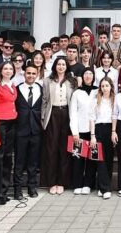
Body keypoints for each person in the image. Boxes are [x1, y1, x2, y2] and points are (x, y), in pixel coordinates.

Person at [41, 57, 77, 196]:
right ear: (55, 66)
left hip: (67, 114)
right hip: (52, 115)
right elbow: (44, 101)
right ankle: (52, 182)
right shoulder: (47, 81)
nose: (61, 67)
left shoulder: (72, 82)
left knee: (64, 149)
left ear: (67, 66)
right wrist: (43, 118)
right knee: (51, 149)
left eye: (63, 64)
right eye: (59, 64)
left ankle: (62, 182)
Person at [13, 64, 47, 201]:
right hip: (21, 130)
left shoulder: (41, 89)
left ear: (37, 74)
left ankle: (32, 187)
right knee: (20, 162)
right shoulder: (17, 89)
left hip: (36, 130)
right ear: (24, 74)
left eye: (33, 73)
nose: (31, 76)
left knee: (33, 162)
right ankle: (17, 189)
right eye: (28, 73)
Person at [0, 61, 18, 205]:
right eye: (5, 68)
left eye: (10, 69)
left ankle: (4, 190)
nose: (8, 71)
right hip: (0, 122)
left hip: (11, 122)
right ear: (0, 70)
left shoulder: (12, 85)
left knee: (8, 157)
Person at [70, 69, 97, 195]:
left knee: (92, 159)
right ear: (82, 76)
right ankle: (77, 183)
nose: (88, 76)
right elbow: (73, 113)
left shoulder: (98, 91)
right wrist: (74, 131)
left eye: (90, 74)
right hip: (79, 130)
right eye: (86, 74)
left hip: (93, 131)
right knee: (78, 158)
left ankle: (88, 184)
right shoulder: (77, 93)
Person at [89, 77, 117, 199]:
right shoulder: (95, 100)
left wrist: (113, 132)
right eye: (103, 86)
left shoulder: (114, 100)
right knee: (100, 159)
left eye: (107, 85)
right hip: (99, 129)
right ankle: (105, 189)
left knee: (109, 158)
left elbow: (115, 116)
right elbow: (92, 118)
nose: (105, 88)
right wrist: (93, 136)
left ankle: (104, 186)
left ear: (111, 86)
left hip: (110, 129)